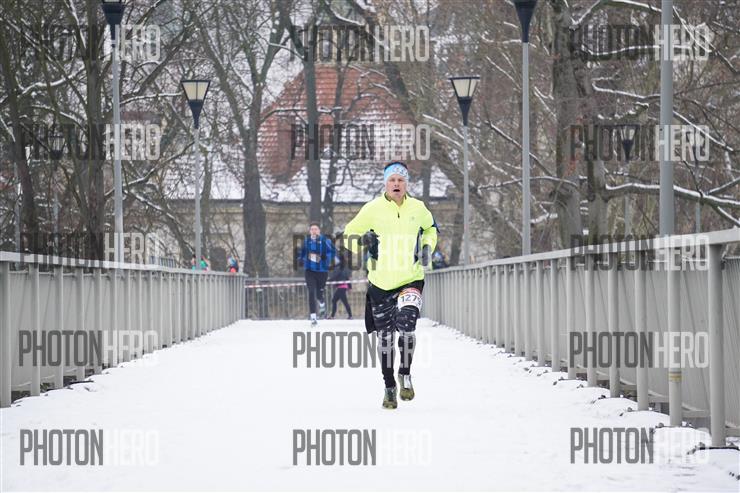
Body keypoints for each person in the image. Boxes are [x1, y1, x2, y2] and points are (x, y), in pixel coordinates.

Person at [343, 161, 438, 409]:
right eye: (392, 180)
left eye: (401, 180)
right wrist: (362, 241)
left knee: (407, 324)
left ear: (407, 184)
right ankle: (389, 386)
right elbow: (348, 236)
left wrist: (427, 247)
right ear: (385, 184)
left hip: (411, 278)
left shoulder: (418, 208)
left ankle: (405, 373)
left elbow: (431, 229)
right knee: (385, 339)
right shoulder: (372, 209)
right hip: (380, 282)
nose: (396, 184)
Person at [297, 222, 336, 325]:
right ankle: (313, 317)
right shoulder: (306, 242)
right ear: (310, 231)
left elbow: (333, 252)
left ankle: (322, 303)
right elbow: (301, 254)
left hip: (322, 271)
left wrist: (325, 257)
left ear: (319, 231)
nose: (314, 231)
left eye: (316, 229)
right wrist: (300, 259)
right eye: (312, 229)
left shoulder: (325, 241)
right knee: (311, 292)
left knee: (319, 294)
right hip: (309, 271)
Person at [328, 253, 352, 319]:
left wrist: (328, 280)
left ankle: (350, 315)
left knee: (344, 302)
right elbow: (347, 278)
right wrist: (350, 287)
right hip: (342, 287)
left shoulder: (338, 267)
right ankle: (332, 316)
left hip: (341, 287)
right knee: (334, 300)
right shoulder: (343, 267)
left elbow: (335, 276)